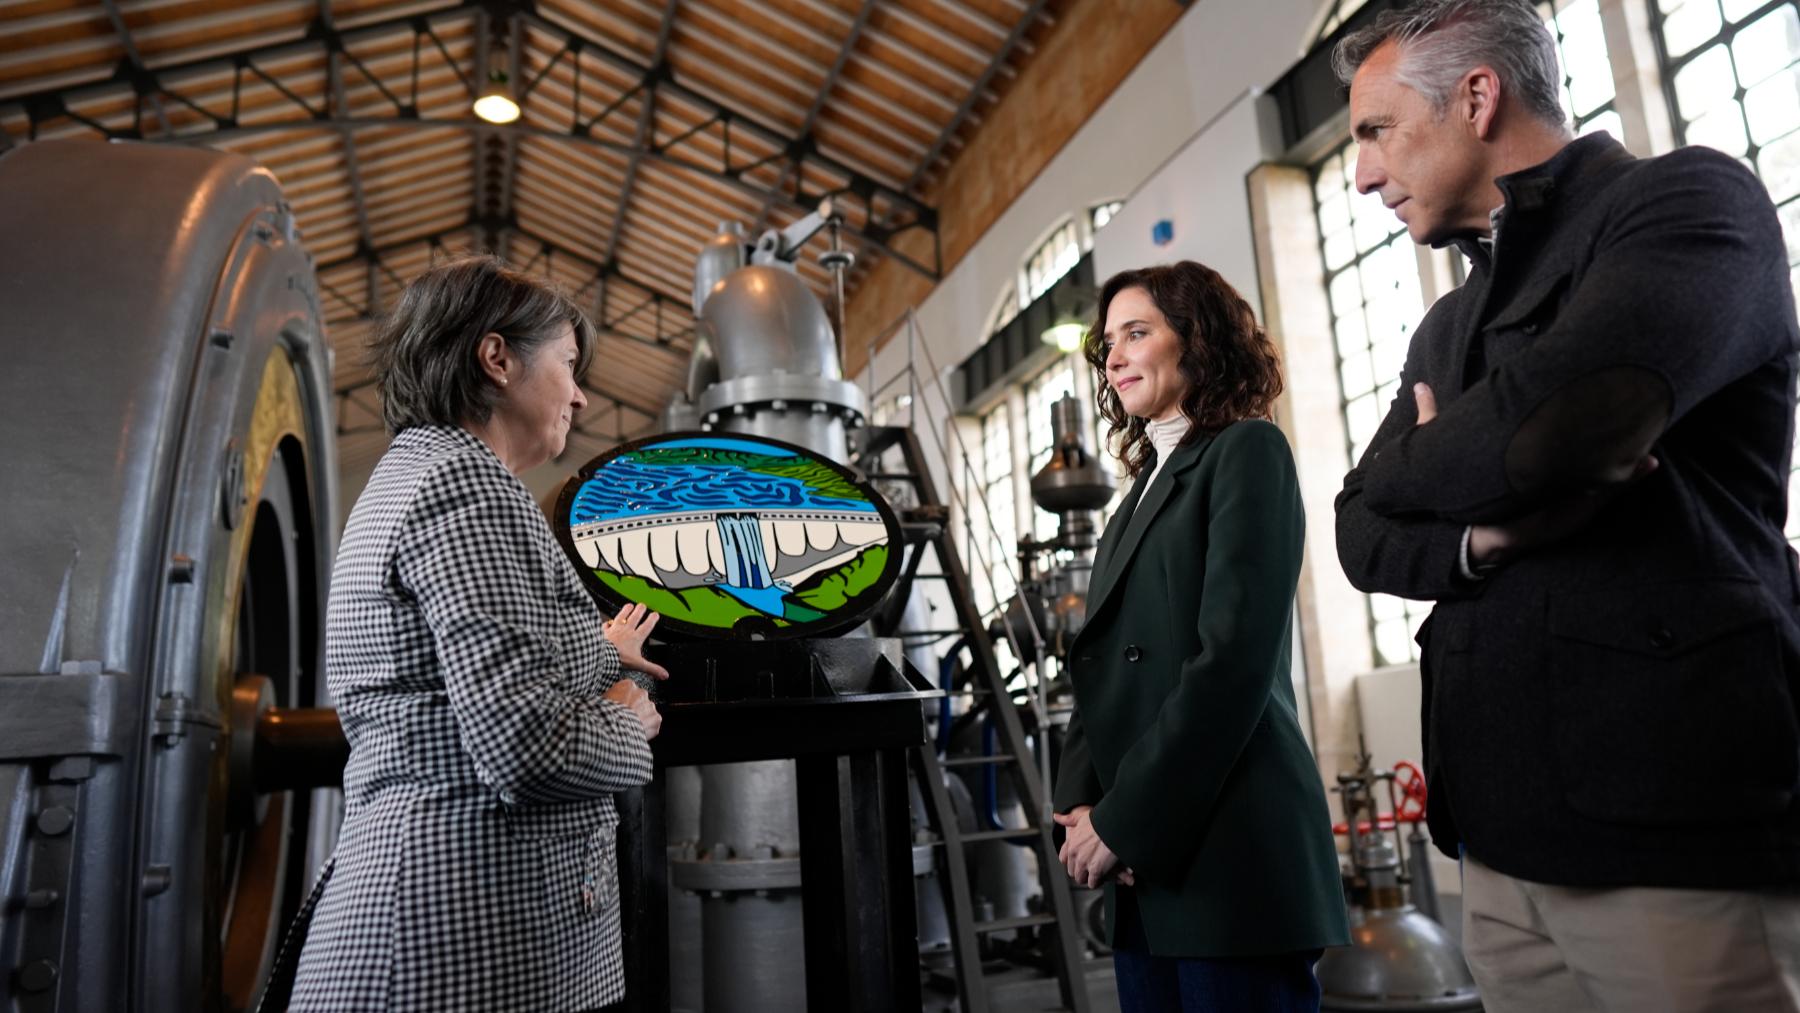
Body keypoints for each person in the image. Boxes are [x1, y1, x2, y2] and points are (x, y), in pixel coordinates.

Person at [1331, 0, 1800, 1008]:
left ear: (1477, 97)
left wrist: (1412, 461)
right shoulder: (1447, 323)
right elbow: (1356, 528)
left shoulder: (1687, 202)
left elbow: (1560, 435)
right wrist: (1482, 532)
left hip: (1670, 825)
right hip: (1495, 840)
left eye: (1377, 131)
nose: (1363, 174)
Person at [264, 255, 670, 1012]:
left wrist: (597, 649)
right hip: (459, 942)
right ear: (497, 358)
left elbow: (449, 680)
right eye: (568, 364)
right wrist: (626, 719)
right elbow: (525, 745)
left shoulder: (409, 475)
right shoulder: (468, 487)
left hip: (433, 931)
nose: (580, 395)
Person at [1052, 261, 1349, 1012]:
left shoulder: (1247, 450)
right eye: (1108, 342)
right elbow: (1098, 663)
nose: (1114, 357)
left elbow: (1232, 664)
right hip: (1142, 855)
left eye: (1137, 333)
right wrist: (1080, 807)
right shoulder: (1133, 499)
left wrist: (1122, 820)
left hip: (1226, 842)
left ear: (1198, 339)